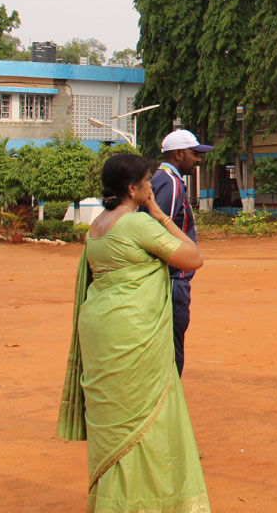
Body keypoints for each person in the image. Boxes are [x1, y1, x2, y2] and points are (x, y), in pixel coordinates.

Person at [58, 153, 210, 512]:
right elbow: (193, 257)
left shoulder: (98, 225)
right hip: (134, 332)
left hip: (99, 330)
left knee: (114, 418)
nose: (150, 186)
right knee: (146, 418)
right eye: (146, 180)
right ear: (133, 188)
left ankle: (112, 501)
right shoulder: (138, 224)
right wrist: (159, 215)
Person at [147, 129, 212, 376]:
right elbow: (159, 229)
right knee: (172, 346)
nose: (197, 159)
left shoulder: (161, 180)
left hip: (168, 277)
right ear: (178, 154)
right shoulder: (171, 183)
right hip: (173, 278)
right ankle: (169, 402)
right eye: (194, 154)